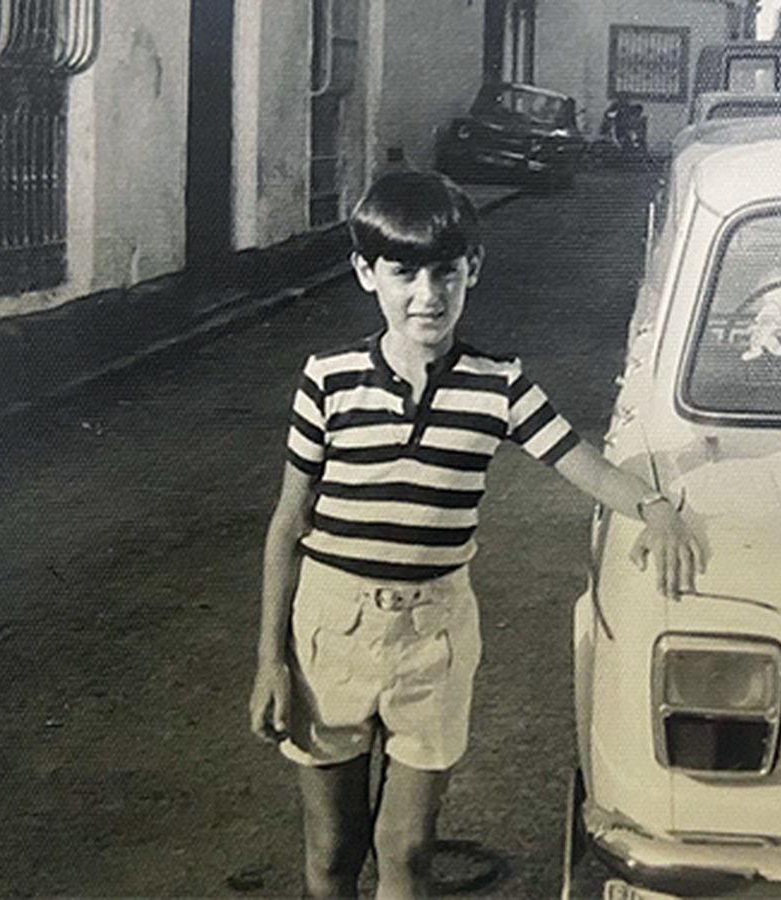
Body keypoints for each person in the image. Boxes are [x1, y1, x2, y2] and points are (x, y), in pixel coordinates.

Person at [246, 171, 706, 898]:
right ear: (367, 274)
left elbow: (580, 460)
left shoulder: (498, 387)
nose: (426, 294)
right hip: (329, 632)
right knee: (333, 851)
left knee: (409, 850)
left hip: (435, 637)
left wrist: (656, 508)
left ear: (472, 272)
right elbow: (287, 525)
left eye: (446, 272)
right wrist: (270, 660)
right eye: (403, 272)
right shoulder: (328, 381)